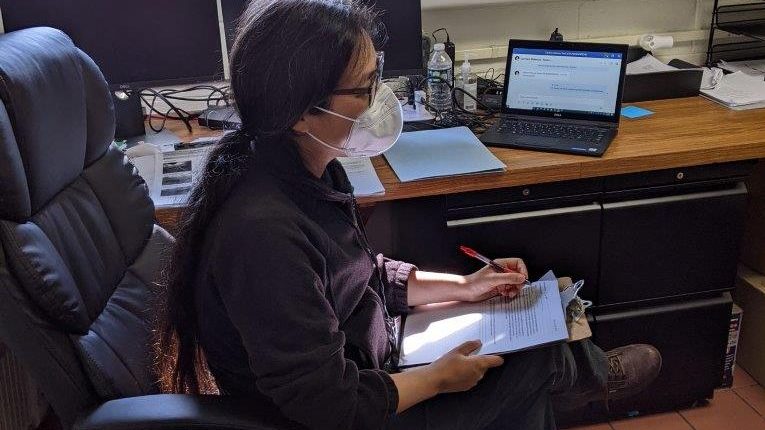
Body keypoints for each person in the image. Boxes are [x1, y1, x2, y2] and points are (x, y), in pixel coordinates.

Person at [153, 1, 661, 429]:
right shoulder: (262, 233)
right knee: (532, 361)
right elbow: (327, 403)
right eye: (365, 88)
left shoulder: (313, 169)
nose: (379, 102)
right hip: (345, 409)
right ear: (301, 110)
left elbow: (361, 275)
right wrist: (438, 379)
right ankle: (581, 376)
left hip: (380, 352)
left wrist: (465, 288)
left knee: (529, 322)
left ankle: (574, 373)